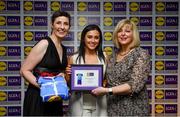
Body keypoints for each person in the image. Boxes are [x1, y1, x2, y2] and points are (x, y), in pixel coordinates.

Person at [92, 19, 151, 116]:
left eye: (127, 31)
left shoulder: (141, 54)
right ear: (116, 34)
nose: (123, 34)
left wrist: (107, 91)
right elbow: (106, 79)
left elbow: (134, 86)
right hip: (113, 107)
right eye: (120, 31)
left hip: (133, 108)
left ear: (134, 35)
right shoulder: (112, 56)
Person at [20, 11, 71, 116]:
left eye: (66, 24)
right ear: (52, 25)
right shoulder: (44, 43)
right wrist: (45, 86)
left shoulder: (63, 49)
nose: (62, 27)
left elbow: (56, 72)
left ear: (69, 27)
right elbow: (24, 70)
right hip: (38, 98)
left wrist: (63, 76)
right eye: (58, 23)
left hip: (54, 99)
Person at [66, 24, 108, 116]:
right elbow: (69, 84)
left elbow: (107, 80)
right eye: (89, 37)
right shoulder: (73, 58)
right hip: (78, 102)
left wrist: (104, 84)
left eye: (96, 38)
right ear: (83, 38)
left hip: (100, 102)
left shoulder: (104, 57)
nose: (93, 41)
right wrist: (68, 75)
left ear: (99, 40)